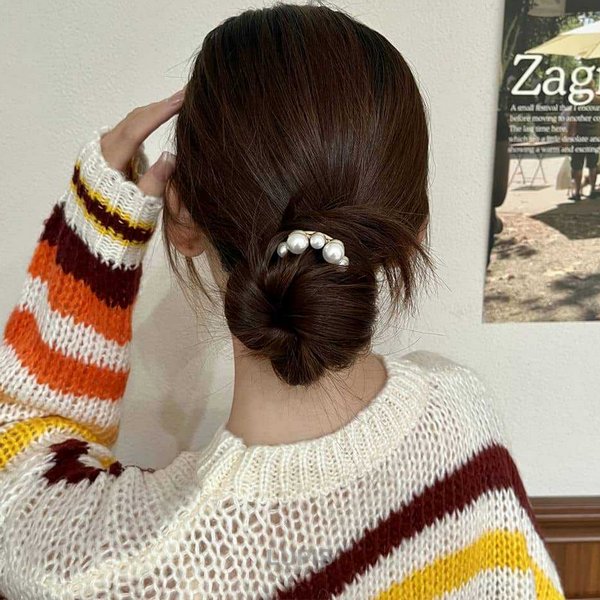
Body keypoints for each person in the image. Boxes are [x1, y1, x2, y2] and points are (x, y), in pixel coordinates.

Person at [0, 5, 564, 598]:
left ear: (181, 216)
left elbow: (17, 463)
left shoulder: (121, 570)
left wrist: (97, 230)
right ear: (412, 230)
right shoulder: (463, 423)